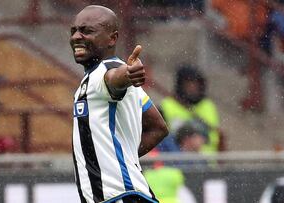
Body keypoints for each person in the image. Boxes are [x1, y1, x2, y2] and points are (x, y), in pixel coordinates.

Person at [70, 5, 168, 203]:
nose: (76, 37)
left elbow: (114, 79)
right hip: (128, 195)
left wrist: (129, 73)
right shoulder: (102, 76)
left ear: (112, 39)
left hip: (118, 197)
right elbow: (158, 128)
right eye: (74, 31)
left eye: (87, 31)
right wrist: (122, 158)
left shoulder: (102, 72)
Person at [159, 65, 220, 152]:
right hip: (177, 160)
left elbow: (215, 137)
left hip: (206, 161)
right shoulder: (167, 105)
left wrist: (202, 141)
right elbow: (161, 137)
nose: (192, 88)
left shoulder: (208, 105)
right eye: (188, 84)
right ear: (180, 85)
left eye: (196, 84)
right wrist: (184, 140)